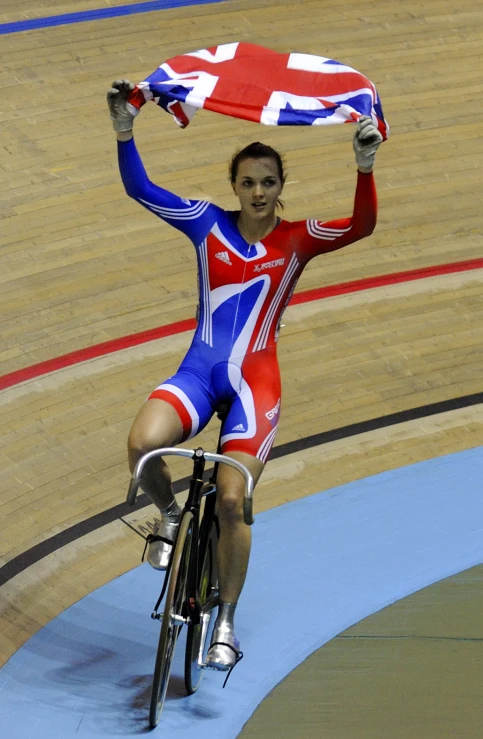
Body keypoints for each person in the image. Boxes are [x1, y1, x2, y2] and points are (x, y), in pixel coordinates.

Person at [106, 79, 382, 672]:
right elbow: (139, 187)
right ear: (234, 186)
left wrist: (364, 166)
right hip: (199, 372)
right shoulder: (205, 222)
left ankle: (225, 621)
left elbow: (361, 226)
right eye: (248, 182)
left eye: (269, 182)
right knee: (141, 446)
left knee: (234, 503)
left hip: (257, 386)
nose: (258, 192)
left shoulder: (297, 239)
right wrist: (125, 128)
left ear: (282, 189)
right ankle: (172, 514)